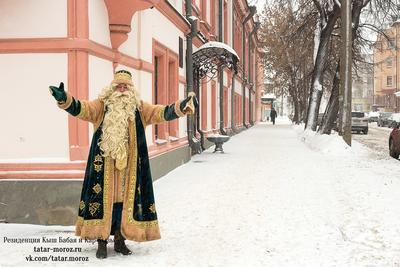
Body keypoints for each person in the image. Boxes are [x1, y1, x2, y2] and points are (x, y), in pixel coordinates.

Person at [49, 70, 198, 259]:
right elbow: (82, 109)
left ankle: (120, 240)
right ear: (112, 88)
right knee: (104, 202)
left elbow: (162, 112)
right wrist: (65, 100)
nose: (121, 89)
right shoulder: (101, 107)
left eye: (125, 86)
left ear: (131, 89)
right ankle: (101, 242)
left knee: (123, 204)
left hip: (130, 168)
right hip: (103, 168)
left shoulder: (140, 109)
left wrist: (182, 106)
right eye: (118, 86)